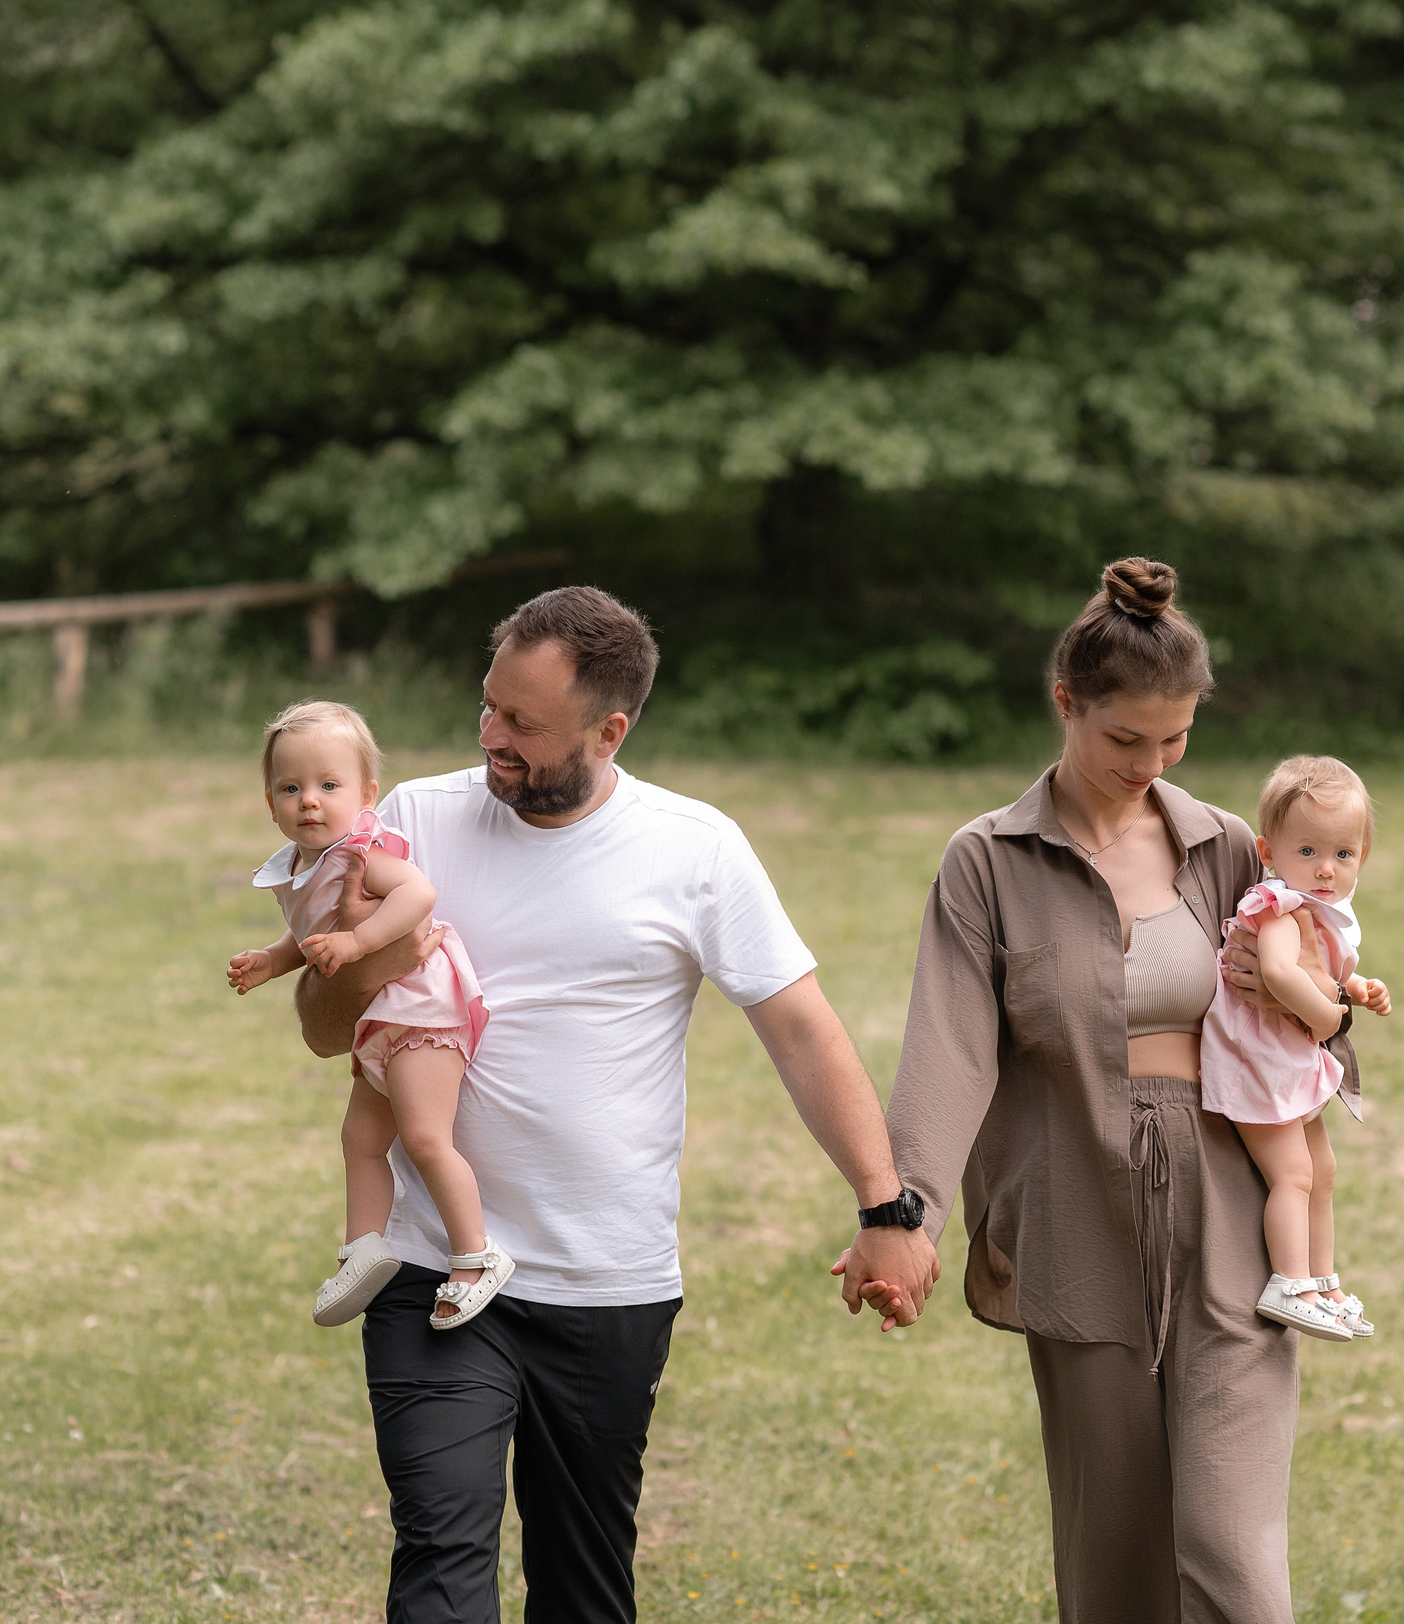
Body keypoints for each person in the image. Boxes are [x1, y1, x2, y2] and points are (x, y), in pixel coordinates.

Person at [292, 586, 936, 1624]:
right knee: (440, 1566)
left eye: (524, 725)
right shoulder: (409, 823)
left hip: (609, 1282)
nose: (493, 738)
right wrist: (373, 964)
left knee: (585, 1590)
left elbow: (805, 1033)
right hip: (436, 1269)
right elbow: (325, 1029)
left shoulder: (694, 848)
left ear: (609, 729)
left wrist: (884, 1208)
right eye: (488, 709)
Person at [867, 556, 1352, 1623]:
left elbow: (1311, 1010)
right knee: (1114, 1549)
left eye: (1174, 739)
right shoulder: (986, 863)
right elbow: (949, 1051)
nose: (1151, 762)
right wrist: (902, 1216)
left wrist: (1332, 1002)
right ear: (1065, 705)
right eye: (1123, 737)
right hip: (1074, 1198)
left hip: (1229, 1196)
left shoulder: (1225, 846)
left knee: (1230, 1544)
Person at [226, 700, 503, 1331]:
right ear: (271, 804)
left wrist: (357, 943)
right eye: (291, 789)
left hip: (423, 1006)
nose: (310, 802)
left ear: (366, 793)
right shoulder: (301, 866)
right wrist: (275, 959)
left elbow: (416, 893)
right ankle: (365, 1248)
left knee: (425, 1136)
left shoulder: (360, 852)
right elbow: (317, 932)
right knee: (360, 1139)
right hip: (384, 1017)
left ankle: (474, 1257)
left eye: (329, 786)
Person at [1200, 754, 1393, 1343]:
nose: (1325, 869)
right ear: (1269, 852)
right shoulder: (1279, 905)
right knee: (1294, 1173)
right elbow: (1282, 975)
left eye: (1342, 854)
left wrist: (1357, 987)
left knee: (1323, 1170)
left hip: (1289, 1057)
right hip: (1258, 1058)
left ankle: (1324, 1280)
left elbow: (1323, 971)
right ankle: (1290, 1283)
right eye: (1307, 851)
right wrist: (1327, 1011)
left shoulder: (1328, 912)